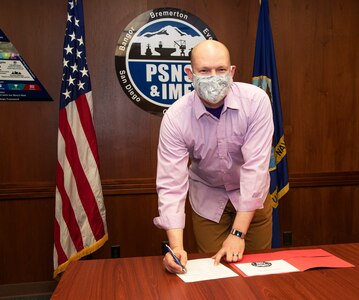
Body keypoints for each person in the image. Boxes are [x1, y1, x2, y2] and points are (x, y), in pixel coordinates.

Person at [153, 40, 274, 274]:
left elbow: (256, 168)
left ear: (232, 71)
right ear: (190, 74)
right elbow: (171, 184)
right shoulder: (176, 117)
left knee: (259, 273)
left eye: (220, 70)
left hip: (252, 196)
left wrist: (238, 233)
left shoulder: (256, 101)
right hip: (207, 198)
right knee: (215, 273)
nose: (214, 77)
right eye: (204, 71)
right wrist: (176, 248)